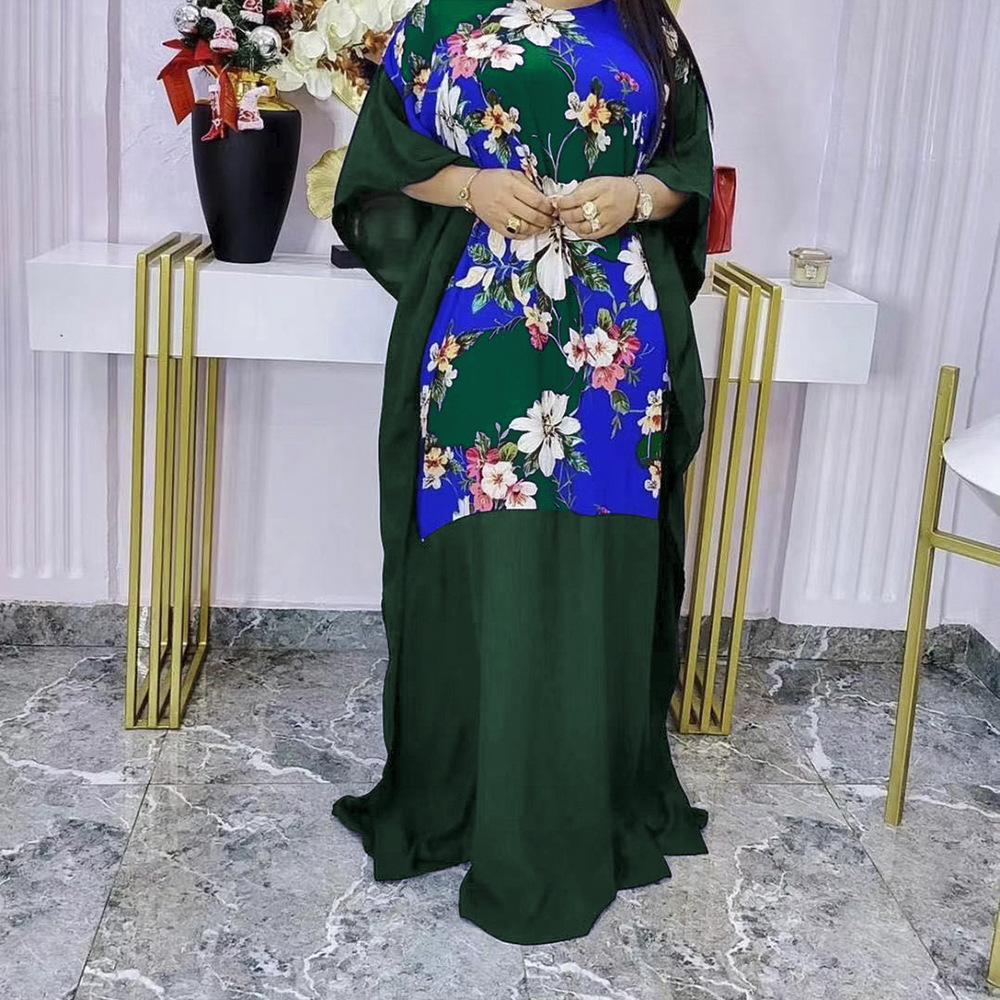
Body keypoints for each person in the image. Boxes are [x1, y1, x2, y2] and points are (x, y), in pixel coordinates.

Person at [329, 0, 716, 946]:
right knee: (489, 560)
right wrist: (472, 185)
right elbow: (384, 158)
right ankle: (468, 798)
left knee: (599, 564)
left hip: (614, 343)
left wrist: (635, 197)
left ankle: (583, 799)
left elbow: (687, 170)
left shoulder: (647, 25)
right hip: (483, 331)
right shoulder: (442, 21)